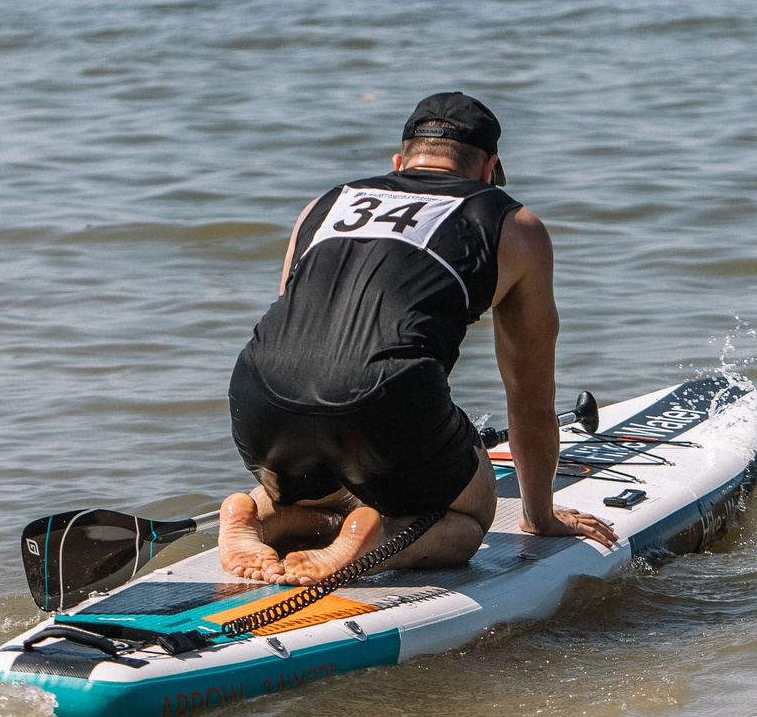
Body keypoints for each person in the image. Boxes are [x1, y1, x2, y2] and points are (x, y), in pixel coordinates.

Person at [218, 92, 617, 585]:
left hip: (259, 394)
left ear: (399, 161)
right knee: (472, 514)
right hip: (383, 402)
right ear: (488, 168)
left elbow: (297, 325)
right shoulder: (512, 226)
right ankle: (378, 541)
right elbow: (530, 398)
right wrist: (540, 517)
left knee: (325, 488)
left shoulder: (323, 205)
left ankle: (253, 514)